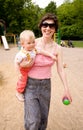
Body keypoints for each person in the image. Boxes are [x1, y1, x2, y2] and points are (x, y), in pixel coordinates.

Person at [20, 13, 72, 130]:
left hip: (46, 86)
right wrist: (23, 64)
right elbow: (20, 59)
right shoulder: (33, 43)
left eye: (52, 26)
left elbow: (60, 70)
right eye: (45, 24)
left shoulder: (57, 48)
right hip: (30, 85)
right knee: (33, 121)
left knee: (43, 120)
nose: (48, 28)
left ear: (55, 29)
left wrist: (66, 89)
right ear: (40, 26)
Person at [15, 30, 56, 102]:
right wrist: (18, 73)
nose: (32, 44)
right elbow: (16, 63)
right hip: (24, 69)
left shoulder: (34, 49)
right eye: (29, 43)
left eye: (33, 42)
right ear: (22, 44)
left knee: (27, 80)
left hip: (31, 68)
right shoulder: (21, 54)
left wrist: (51, 55)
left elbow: (42, 51)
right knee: (23, 80)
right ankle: (19, 92)